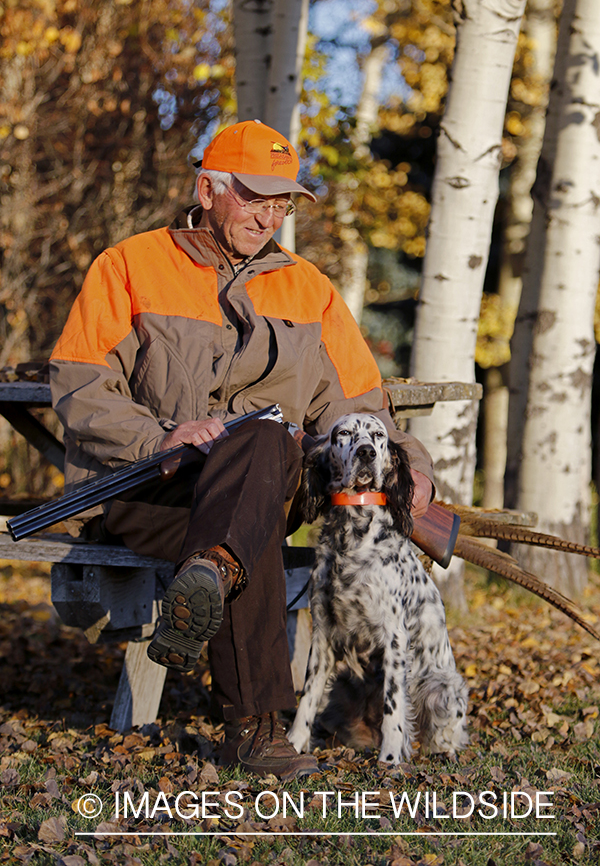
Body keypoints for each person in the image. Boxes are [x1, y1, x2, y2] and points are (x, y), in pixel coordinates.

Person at [49, 119, 434, 781]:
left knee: (261, 444)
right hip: (150, 488)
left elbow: (360, 407)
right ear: (208, 187)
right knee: (243, 526)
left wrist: (412, 464)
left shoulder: (309, 290)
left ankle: (214, 574)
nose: (270, 217)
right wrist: (159, 437)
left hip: (263, 486)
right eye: (256, 198)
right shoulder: (129, 266)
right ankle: (252, 729)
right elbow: (79, 385)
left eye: (282, 203)